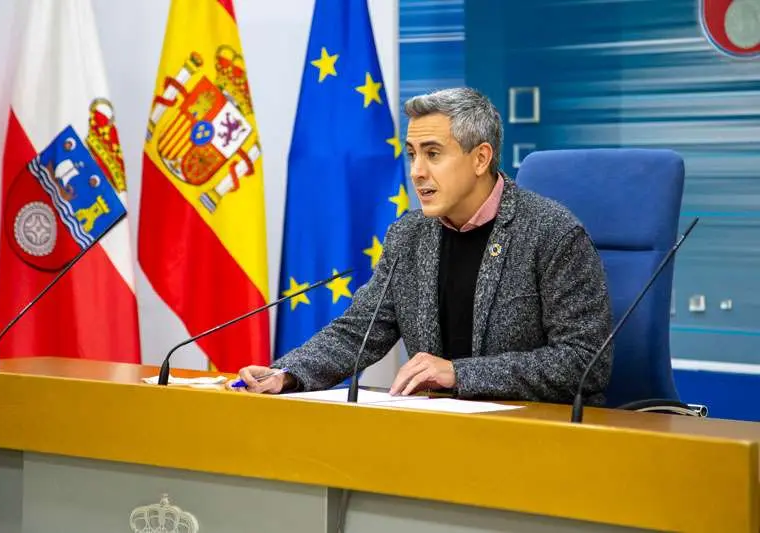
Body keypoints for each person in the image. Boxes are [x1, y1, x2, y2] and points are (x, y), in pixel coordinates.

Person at [233, 87, 613, 404]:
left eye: (433, 154)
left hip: (538, 435)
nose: (416, 171)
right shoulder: (409, 235)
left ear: (481, 158)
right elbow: (359, 330)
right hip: (437, 433)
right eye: (412, 154)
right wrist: (288, 373)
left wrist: (458, 373)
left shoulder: (551, 233)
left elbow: (584, 361)